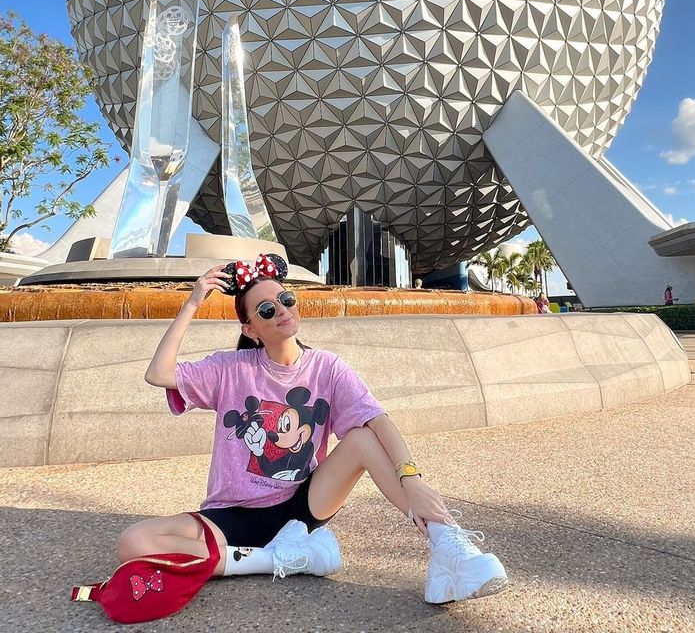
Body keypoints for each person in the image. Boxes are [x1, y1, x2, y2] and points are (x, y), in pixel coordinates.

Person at [118, 253, 509, 606]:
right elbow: (159, 374)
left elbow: (378, 421)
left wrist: (413, 480)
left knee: (361, 438)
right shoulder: (231, 369)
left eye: (286, 300)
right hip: (232, 515)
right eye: (267, 310)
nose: (282, 311)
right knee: (134, 543)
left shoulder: (327, 367)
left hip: (302, 508)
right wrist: (193, 301)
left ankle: (449, 550)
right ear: (251, 329)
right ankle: (277, 558)